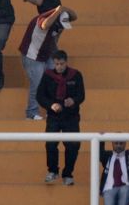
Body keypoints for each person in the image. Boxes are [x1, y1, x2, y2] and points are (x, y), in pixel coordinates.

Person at [19, 5, 77, 120]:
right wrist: (57, 11)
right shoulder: (44, 20)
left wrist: (64, 9)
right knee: (37, 83)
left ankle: (53, 110)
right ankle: (31, 113)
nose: (62, 28)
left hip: (46, 54)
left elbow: (74, 17)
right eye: (60, 25)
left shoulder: (57, 24)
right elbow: (45, 25)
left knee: (56, 80)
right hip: (32, 55)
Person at [36, 50, 85, 186]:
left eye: (62, 64)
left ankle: (68, 174)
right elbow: (40, 96)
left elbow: (81, 95)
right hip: (54, 116)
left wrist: (73, 101)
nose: (59, 67)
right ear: (53, 63)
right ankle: (52, 171)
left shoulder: (76, 75)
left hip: (71, 117)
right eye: (57, 64)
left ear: (66, 62)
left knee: (73, 145)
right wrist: (51, 105)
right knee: (50, 144)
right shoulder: (47, 76)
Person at [100, 140, 129, 205]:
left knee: (124, 190)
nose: (118, 145)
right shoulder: (107, 155)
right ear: (112, 144)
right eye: (116, 143)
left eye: (121, 143)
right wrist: (101, 139)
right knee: (108, 193)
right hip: (109, 188)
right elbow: (99, 155)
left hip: (126, 186)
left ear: (125, 144)